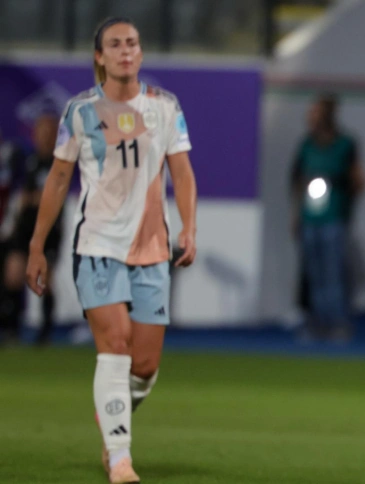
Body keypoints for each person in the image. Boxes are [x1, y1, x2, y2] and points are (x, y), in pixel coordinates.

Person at [25, 17, 198, 483]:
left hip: (152, 249)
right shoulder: (80, 111)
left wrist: (189, 228)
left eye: (133, 43)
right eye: (115, 44)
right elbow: (59, 177)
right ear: (99, 56)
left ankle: (112, 419)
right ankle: (120, 458)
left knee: (144, 366)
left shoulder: (164, 107)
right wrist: (37, 245)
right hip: (98, 245)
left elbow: (181, 172)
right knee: (116, 345)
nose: (127, 51)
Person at [290, 94, 365, 342]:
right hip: (310, 220)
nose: (311, 118)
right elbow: (297, 181)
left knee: (333, 274)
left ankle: (338, 322)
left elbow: (358, 181)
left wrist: (346, 204)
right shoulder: (306, 145)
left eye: (316, 113)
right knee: (314, 274)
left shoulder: (345, 145)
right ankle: (317, 322)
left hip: (334, 219)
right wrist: (296, 215)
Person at [5, 113, 63, 345]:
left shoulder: (61, 163)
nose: (44, 138)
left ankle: (46, 331)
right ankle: (12, 328)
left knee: (44, 279)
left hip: (50, 231)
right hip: (24, 229)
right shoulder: (27, 162)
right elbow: (20, 196)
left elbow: (55, 196)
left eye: (49, 133)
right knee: (13, 275)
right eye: (41, 133)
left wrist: (37, 199)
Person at [0, 128, 25, 344]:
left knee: (13, 279)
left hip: (9, 230)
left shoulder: (12, 156)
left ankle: (12, 329)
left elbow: (19, 193)